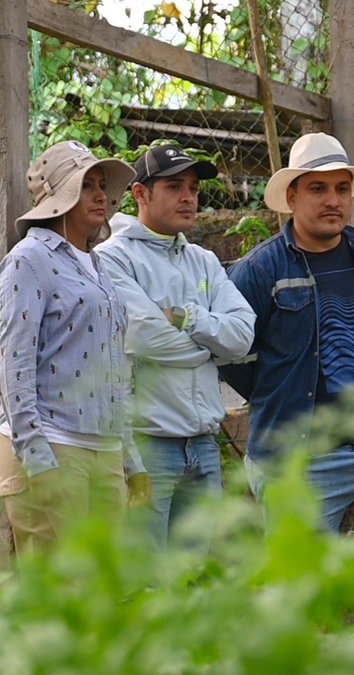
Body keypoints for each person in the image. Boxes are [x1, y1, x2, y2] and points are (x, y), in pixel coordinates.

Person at [219, 132, 354, 532]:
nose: (333, 200)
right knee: (304, 587)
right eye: (318, 188)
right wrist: (282, 390)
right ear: (292, 197)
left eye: (342, 189)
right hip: (302, 462)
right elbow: (229, 354)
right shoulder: (260, 270)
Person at [0, 140, 149, 555]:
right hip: (50, 442)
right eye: (86, 185)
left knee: (102, 594)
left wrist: (130, 457)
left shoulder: (96, 264)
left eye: (103, 185)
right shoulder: (29, 259)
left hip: (102, 447)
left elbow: (113, 368)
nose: (101, 195)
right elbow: (14, 362)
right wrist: (35, 454)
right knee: (60, 597)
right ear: (59, 196)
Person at [96, 145, 255, 548]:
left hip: (203, 444)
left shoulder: (203, 260)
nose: (189, 197)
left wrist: (186, 319)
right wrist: (211, 348)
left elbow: (244, 335)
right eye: (174, 186)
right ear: (140, 194)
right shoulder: (112, 258)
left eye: (193, 188)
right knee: (145, 583)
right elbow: (145, 338)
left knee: (194, 580)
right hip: (148, 445)